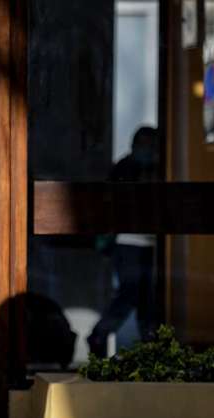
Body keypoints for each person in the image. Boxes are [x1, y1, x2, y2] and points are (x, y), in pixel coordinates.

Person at [87, 127, 160, 357]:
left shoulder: (146, 167)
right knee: (131, 295)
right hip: (128, 242)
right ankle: (101, 334)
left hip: (144, 242)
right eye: (148, 144)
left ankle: (149, 342)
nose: (151, 149)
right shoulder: (127, 168)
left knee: (144, 298)